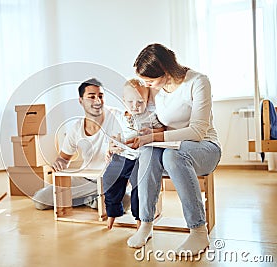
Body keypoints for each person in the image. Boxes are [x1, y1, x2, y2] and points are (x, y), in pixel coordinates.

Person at [125, 43, 221, 256]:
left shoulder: (198, 82)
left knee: (172, 155)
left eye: (149, 80)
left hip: (204, 148)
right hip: (168, 148)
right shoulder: (156, 89)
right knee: (149, 153)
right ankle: (146, 224)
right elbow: (151, 123)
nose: (146, 85)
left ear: (165, 71)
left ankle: (198, 230)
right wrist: (134, 137)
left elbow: (197, 131)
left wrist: (153, 137)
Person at [33, 78, 130, 210]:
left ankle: (95, 200)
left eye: (101, 96)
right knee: (40, 200)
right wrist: (59, 163)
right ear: (81, 100)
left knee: (124, 202)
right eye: (91, 97)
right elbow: (63, 158)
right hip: (85, 181)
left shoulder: (117, 116)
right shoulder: (76, 127)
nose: (97, 101)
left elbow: (132, 124)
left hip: (111, 181)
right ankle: (91, 200)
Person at [103, 79, 164, 230]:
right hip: (122, 156)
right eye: (130, 102)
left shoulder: (150, 116)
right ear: (124, 100)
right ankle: (112, 213)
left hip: (139, 158)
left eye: (140, 102)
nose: (135, 106)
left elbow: (162, 131)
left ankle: (139, 218)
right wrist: (109, 148)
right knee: (109, 179)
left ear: (147, 100)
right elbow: (115, 136)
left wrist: (151, 132)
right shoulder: (120, 117)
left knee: (139, 186)